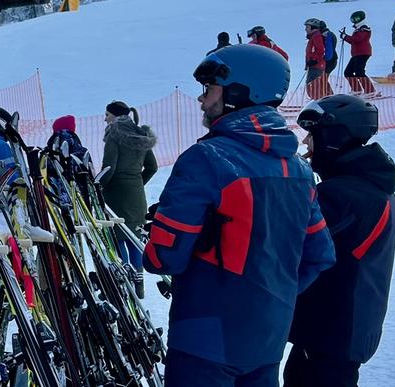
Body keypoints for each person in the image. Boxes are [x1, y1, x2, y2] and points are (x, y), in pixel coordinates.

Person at [145, 45, 335, 387]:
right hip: (268, 337)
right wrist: (274, 293)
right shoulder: (298, 170)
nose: (202, 101)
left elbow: (163, 257)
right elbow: (320, 255)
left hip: (204, 339)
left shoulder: (206, 159)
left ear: (239, 92)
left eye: (209, 89)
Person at [287, 95, 395, 387]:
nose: (307, 145)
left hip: (331, 329)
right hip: (343, 327)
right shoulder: (370, 187)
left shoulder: (344, 195)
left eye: (314, 135)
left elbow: (288, 241)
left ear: (335, 138)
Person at [100, 101, 157, 292]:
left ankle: (123, 282)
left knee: (118, 238)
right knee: (134, 237)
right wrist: (138, 182)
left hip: (116, 194)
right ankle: (138, 281)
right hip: (137, 195)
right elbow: (152, 167)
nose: (105, 118)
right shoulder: (140, 134)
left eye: (107, 115)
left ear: (115, 116)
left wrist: (97, 189)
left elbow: (109, 168)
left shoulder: (114, 135)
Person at [341, 11, 375, 96]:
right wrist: (346, 37)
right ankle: (357, 89)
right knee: (348, 72)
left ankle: (370, 90)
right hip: (356, 54)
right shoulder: (358, 29)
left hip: (363, 53)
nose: (354, 21)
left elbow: (357, 39)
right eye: (353, 19)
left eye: (356, 19)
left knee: (359, 72)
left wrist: (345, 37)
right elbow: (354, 41)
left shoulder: (364, 28)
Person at [305, 19, 334, 99]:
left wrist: (314, 60)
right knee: (318, 85)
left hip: (316, 65)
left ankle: (318, 101)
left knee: (311, 85)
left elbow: (321, 50)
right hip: (316, 65)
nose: (306, 29)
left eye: (307, 27)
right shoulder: (314, 36)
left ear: (313, 27)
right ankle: (327, 99)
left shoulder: (316, 36)